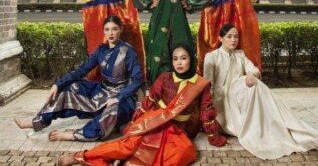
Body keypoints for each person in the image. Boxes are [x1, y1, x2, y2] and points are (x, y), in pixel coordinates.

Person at [57, 43, 227, 166]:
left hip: (177, 130)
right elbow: (149, 102)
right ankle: (81, 156)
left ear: (191, 59)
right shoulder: (165, 78)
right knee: (129, 144)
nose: (179, 63)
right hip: (153, 122)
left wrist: (215, 137)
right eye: (175, 59)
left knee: (183, 153)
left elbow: (207, 113)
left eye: (183, 58)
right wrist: (136, 124)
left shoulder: (201, 84)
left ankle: (124, 162)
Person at [203, 24, 318, 160]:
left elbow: (254, 69)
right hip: (222, 98)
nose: (233, 40)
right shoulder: (212, 57)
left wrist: (251, 74)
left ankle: (279, 121)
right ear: (220, 38)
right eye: (229, 37)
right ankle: (275, 118)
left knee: (255, 85)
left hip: (240, 91)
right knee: (253, 86)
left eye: (236, 37)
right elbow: (208, 85)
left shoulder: (240, 54)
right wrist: (209, 109)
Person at [15, 16, 144, 142]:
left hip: (123, 96)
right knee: (71, 88)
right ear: (103, 31)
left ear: (120, 29)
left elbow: (138, 79)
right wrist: (57, 84)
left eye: (114, 29)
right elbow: (81, 70)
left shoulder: (127, 51)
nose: (110, 33)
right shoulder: (101, 50)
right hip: (103, 91)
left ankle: (75, 134)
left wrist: (118, 97)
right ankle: (38, 121)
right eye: (107, 29)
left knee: (113, 110)